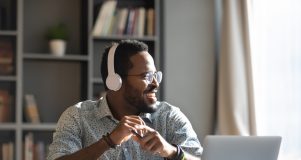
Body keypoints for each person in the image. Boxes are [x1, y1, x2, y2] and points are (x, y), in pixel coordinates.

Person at [47, 40, 203, 160]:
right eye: (147, 76)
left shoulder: (169, 117)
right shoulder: (78, 117)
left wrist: (172, 152)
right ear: (115, 81)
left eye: (156, 75)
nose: (155, 83)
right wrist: (109, 141)